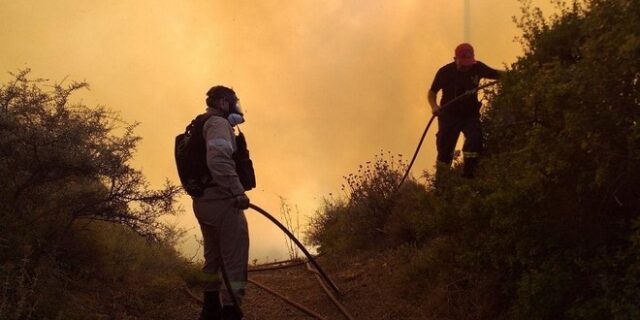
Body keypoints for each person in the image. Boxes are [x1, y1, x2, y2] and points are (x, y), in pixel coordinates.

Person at [193, 85, 250, 320]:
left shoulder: (200, 123)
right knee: (234, 256)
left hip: (203, 201)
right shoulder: (218, 124)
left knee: (213, 256)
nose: (237, 107)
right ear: (224, 103)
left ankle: (210, 308)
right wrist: (237, 192)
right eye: (234, 102)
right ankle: (230, 311)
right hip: (222, 200)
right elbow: (218, 161)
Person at [427, 43, 503, 179]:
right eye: (463, 63)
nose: (466, 66)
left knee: (475, 140)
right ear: (455, 59)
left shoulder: (477, 67)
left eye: (468, 63)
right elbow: (432, 92)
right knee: (445, 152)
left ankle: (469, 177)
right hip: (448, 116)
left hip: (470, 115)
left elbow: (496, 74)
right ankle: (442, 185)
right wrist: (434, 106)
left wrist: (517, 72)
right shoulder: (445, 72)